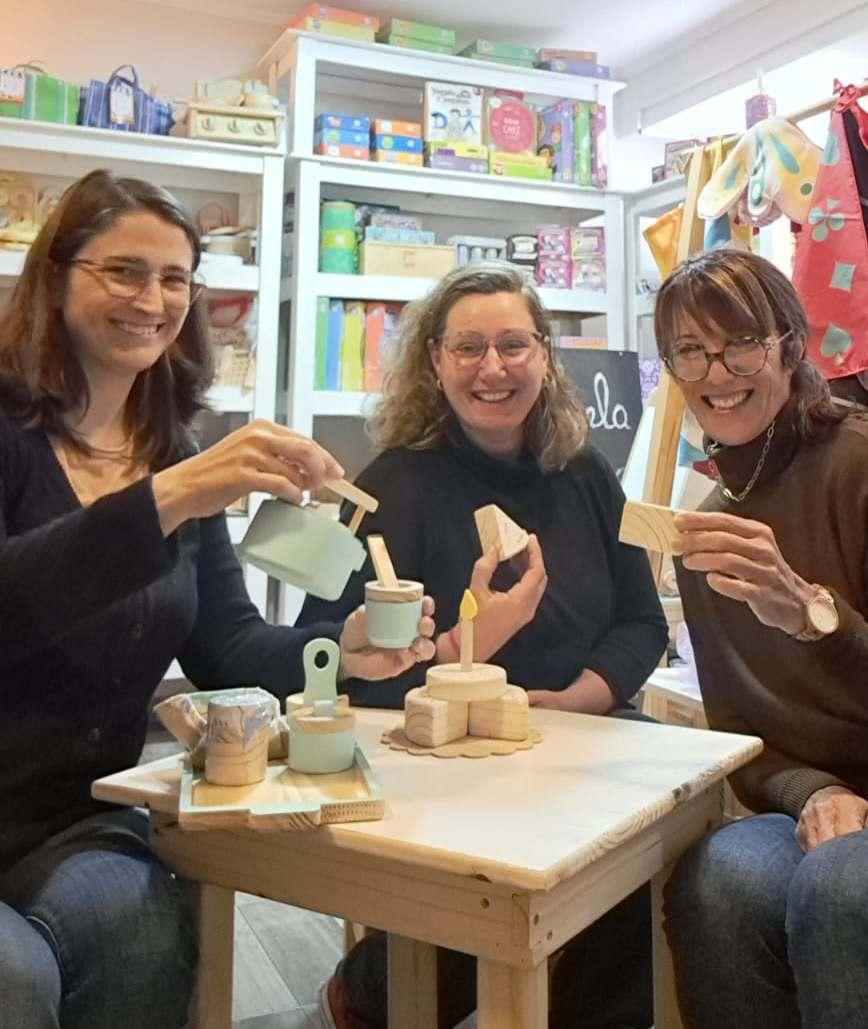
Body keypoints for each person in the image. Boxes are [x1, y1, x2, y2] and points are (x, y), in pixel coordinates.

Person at [0, 169, 435, 1029]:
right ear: (55, 275)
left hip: (75, 820)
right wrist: (169, 497)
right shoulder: (38, 438)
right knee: (14, 981)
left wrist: (340, 649)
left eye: (175, 278)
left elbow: (228, 646)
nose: (152, 299)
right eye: (123, 270)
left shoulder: (170, 451)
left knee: (145, 934)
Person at [301, 262, 668, 1028]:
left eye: (513, 345)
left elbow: (642, 621)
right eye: (468, 347)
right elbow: (320, 660)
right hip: (440, 763)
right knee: (487, 895)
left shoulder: (586, 473)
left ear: (545, 355)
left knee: (651, 860)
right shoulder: (390, 484)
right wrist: (466, 648)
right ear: (434, 360)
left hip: (581, 739)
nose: (492, 368)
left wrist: (572, 701)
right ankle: (371, 992)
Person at [653, 249, 868, 1029]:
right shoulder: (708, 526)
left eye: (740, 343)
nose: (717, 372)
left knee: (839, 888)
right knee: (717, 882)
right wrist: (816, 792)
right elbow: (739, 732)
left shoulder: (856, 462)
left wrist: (813, 616)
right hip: (815, 804)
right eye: (690, 350)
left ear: (790, 345)